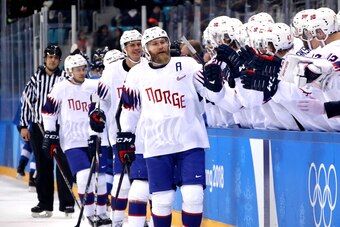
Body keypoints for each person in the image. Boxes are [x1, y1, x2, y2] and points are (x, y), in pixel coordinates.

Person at [116, 26, 227, 227]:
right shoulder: (136, 74)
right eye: (154, 43)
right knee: (162, 200)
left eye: (163, 41)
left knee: (193, 195)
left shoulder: (187, 65)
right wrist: (125, 136)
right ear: (146, 48)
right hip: (156, 144)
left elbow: (214, 96)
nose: (160, 46)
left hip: (190, 141)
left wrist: (216, 84)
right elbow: (130, 111)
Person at [42, 54, 112, 226]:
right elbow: (48, 111)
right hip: (72, 141)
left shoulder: (94, 86)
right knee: (83, 178)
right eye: (77, 69)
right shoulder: (60, 88)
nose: (82, 72)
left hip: (95, 138)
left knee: (100, 179)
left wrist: (100, 113)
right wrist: (50, 133)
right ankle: (89, 215)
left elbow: (107, 101)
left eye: (83, 68)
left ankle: (102, 213)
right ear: (69, 71)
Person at [19, 44, 75, 217]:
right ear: (45, 58)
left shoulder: (65, 77)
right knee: (43, 167)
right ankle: (45, 203)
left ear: (59, 60)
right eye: (50, 57)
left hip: (60, 127)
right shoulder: (35, 78)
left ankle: (67, 203)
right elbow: (26, 102)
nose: (52, 60)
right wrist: (23, 125)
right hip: (38, 127)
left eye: (56, 57)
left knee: (63, 165)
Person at [101, 29, 147, 227]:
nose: (136, 48)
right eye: (132, 45)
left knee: (146, 183)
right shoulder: (111, 71)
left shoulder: (149, 66)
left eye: (139, 44)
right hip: (119, 136)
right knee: (123, 182)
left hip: (146, 135)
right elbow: (100, 101)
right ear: (124, 49)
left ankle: (143, 220)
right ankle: (117, 221)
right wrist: (96, 115)